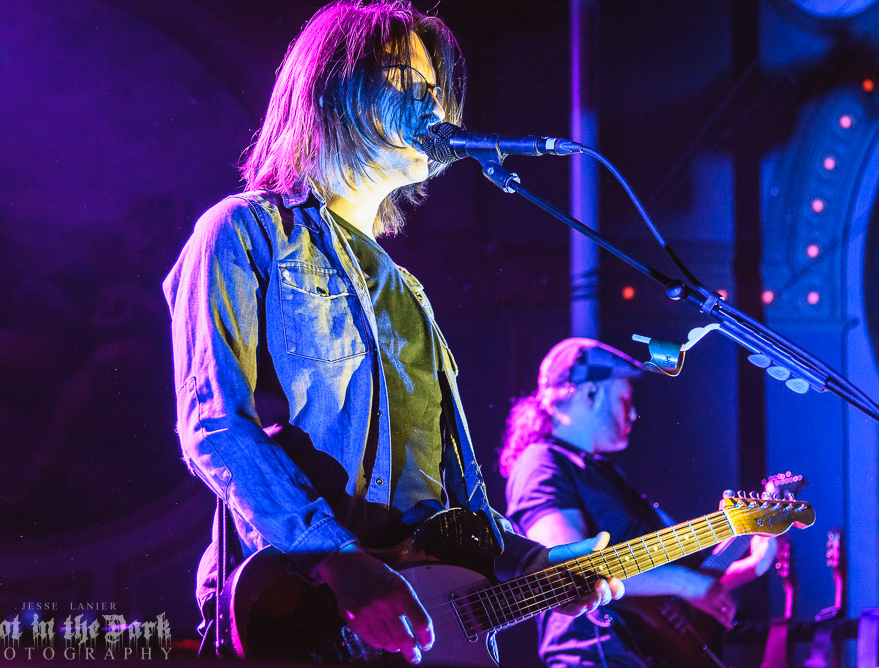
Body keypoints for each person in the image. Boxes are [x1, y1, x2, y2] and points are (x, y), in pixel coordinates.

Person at [163, 2, 623, 663]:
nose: (430, 105)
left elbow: (448, 506)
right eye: (404, 80)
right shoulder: (242, 233)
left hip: (417, 629)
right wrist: (338, 561)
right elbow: (213, 425)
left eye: (433, 90)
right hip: (296, 613)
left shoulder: (408, 293)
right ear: (331, 88)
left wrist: (533, 562)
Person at [501, 338, 778, 667]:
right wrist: (689, 583)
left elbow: (666, 590)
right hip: (596, 657)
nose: (633, 413)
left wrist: (754, 562)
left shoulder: (603, 474)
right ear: (590, 393)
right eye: (624, 399)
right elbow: (568, 569)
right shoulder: (542, 463)